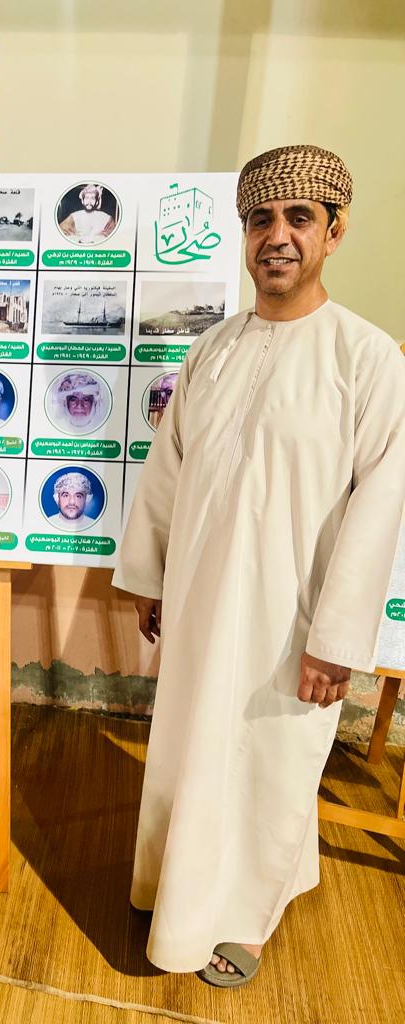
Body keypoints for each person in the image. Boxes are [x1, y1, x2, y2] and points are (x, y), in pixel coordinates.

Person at [112, 145, 405, 988]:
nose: (277, 236)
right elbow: (170, 471)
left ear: (334, 232)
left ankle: (242, 917)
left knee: (267, 763)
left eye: (298, 218)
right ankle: (176, 889)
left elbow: (380, 509)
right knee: (190, 750)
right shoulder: (212, 350)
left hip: (291, 619)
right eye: (260, 220)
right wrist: (150, 578)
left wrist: (336, 641)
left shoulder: (366, 358)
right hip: (201, 601)